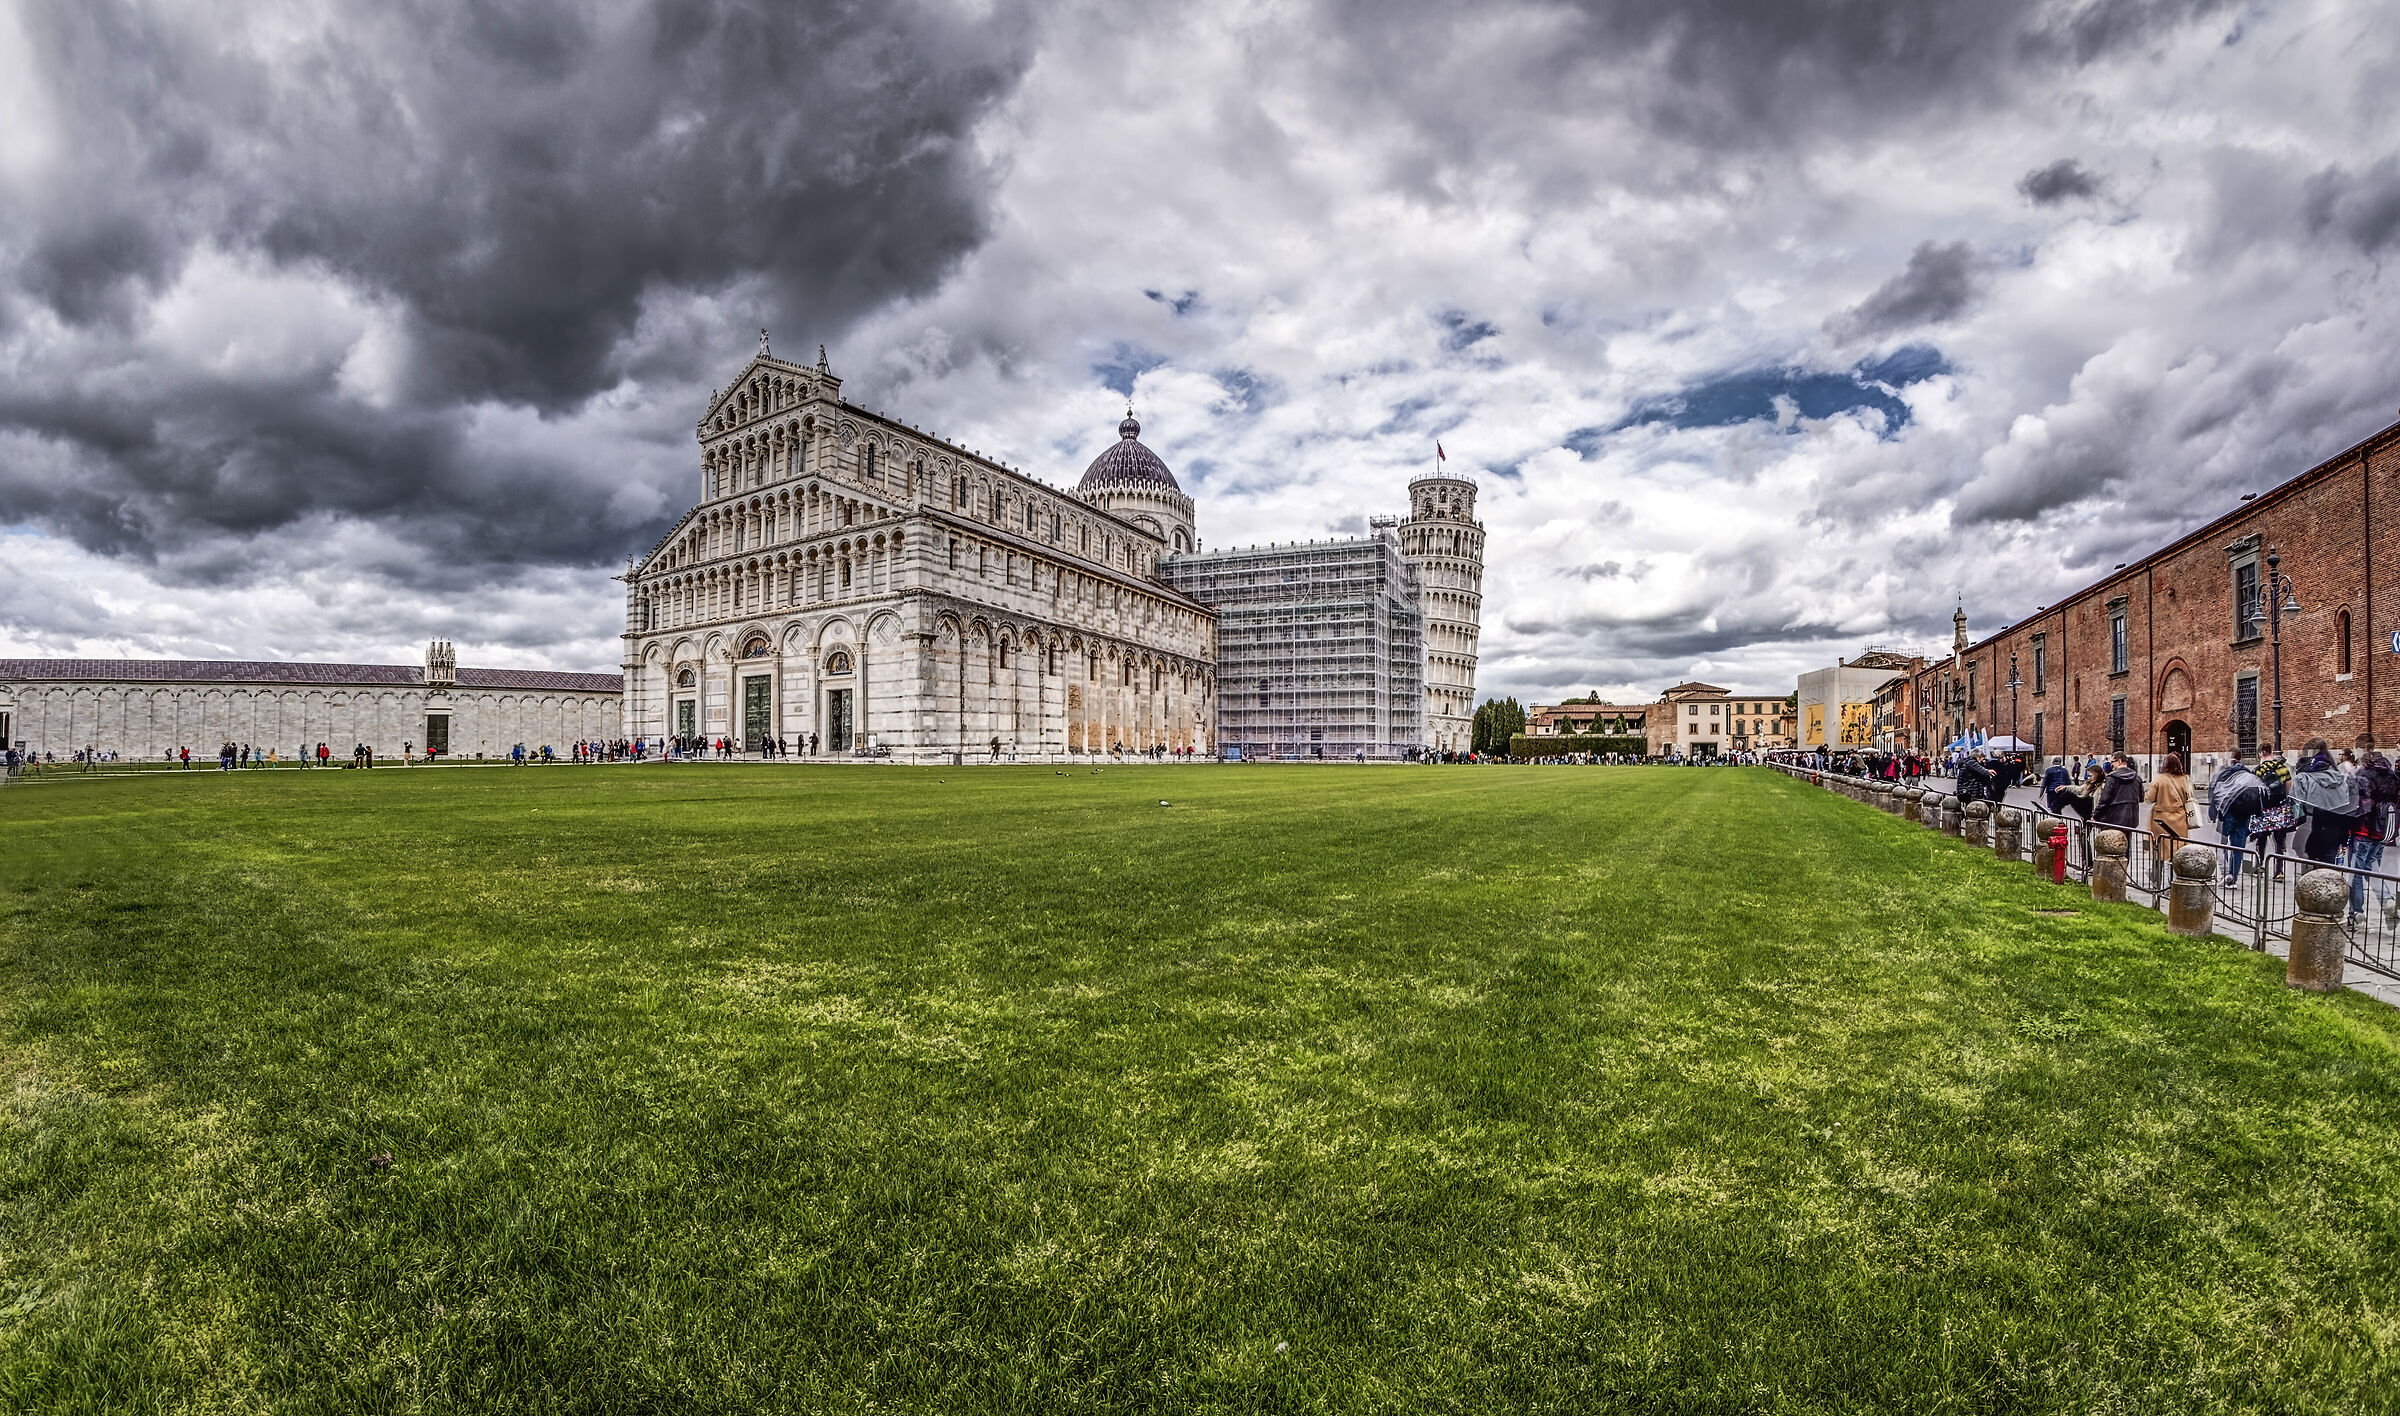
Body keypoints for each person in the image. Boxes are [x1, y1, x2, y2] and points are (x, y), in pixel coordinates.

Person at [2290, 738, 2359, 867]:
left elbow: (2297, 806)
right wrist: (2344, 839)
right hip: (2334, 832)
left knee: (2311, 870)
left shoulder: (2304, 777)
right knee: (2329, 867)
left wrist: (2298, 820)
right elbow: (2348, 809)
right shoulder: (2341, 777)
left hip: (2312, 830)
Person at [2210, 750, 2266, 884]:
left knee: (2222, 844)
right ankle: (2233, 878)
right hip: (2244, 815)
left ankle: (2225, 875)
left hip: (2226, 815)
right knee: (2238, 848)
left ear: (2231, 758)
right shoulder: (2249, 774)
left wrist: (2212, 813)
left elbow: (2215, 793)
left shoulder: (2224, 773)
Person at [2145, 753, 2193, 888]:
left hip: (2161, 820)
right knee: (2176, 852)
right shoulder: (2185, 779)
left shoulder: (2159, 780)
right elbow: (2190, 797)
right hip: (2179, 819)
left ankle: (2156, 880)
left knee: (2159, 851)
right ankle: (2173, 883)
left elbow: (2149, 798)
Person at [2093, 752, 2144, 830]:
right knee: (2126, 841)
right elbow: (2141, 798)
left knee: (2111, 841)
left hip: (2112, 820)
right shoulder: (2137, 778)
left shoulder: (2112, 778)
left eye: (2112, 762)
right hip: (2131, 820)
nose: (2111, 765)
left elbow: (2104, 800)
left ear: (2119, 761)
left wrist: (2095, 815)